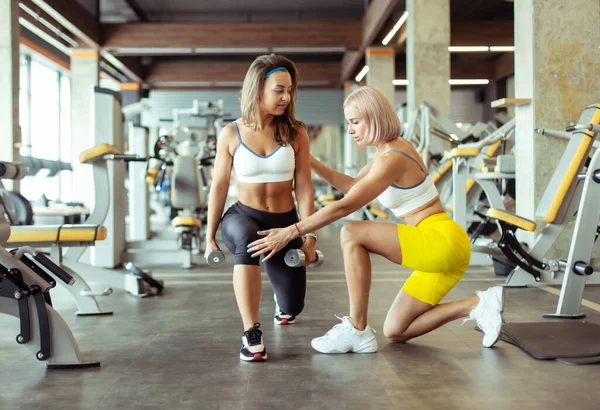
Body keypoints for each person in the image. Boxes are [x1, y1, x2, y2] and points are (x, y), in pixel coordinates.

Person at [248, 85, 504, 354]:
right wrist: (307, 159)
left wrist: (290, 232)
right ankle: (476, 305)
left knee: (351, 232)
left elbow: (345, 206)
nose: (351, 130)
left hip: (441, 241)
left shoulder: (393, 158)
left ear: (374, 117)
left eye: (355, 122)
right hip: (441, 252)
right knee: (396, 330)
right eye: (348, 123)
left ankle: (357, 328)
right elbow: (352, 186)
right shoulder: (385, 153)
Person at [204, 54, 317, 362]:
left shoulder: (296, 133)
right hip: (243, 216)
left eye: (290, 90)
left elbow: (305, 188)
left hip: (285, 223)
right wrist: (209, 235)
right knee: (247, 239)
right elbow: (219, 187)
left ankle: (285, 306)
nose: (287, 97)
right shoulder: (231, 133)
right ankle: (251, 333)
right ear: (258, 89)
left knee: (294, 305)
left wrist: (310, 237)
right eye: (279, 89)